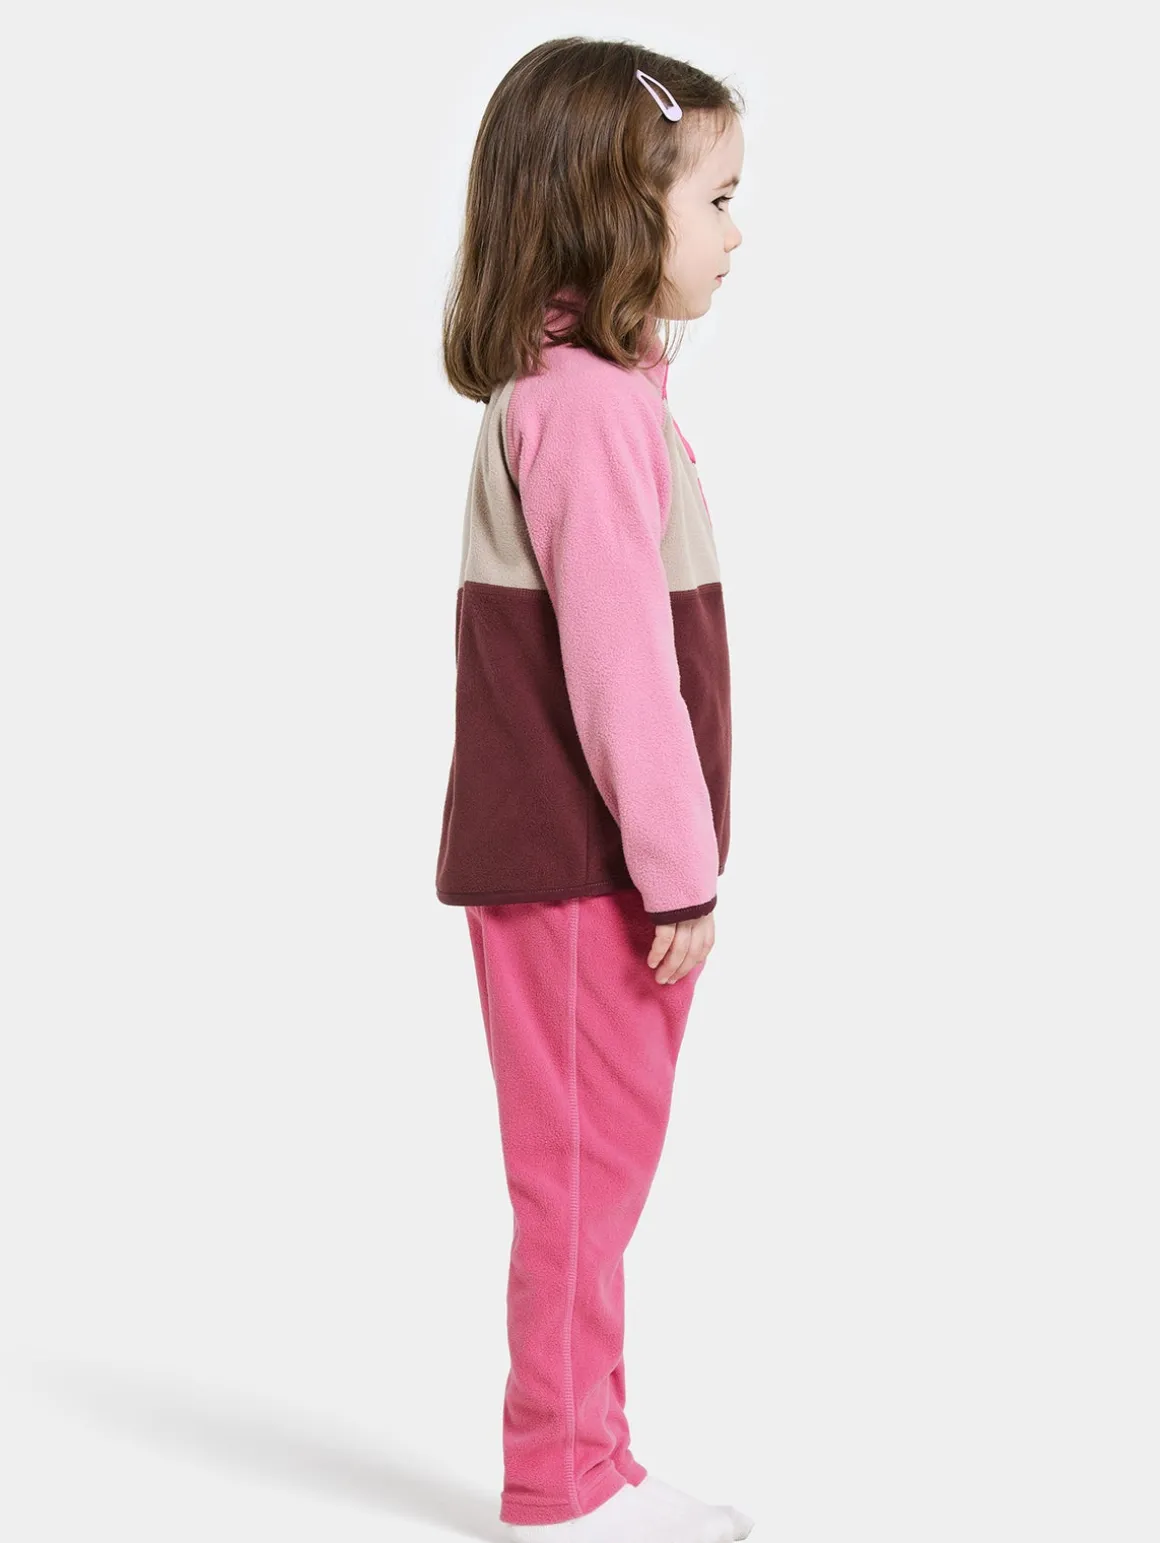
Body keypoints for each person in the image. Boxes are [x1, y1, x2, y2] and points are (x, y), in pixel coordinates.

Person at [435, 37, 752, 1543]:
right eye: (718, 199)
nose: (739, 232)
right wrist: (678, 869)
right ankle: (557, 1488)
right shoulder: (584, 411)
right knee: (577, 1186)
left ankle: (597, 1457)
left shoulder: (603, 395)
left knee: (598, 1182)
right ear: (621, 213)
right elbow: (622, 671)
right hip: (586, 875)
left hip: (594, 870)